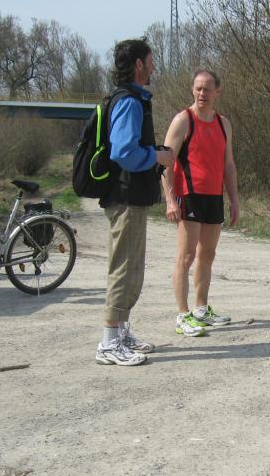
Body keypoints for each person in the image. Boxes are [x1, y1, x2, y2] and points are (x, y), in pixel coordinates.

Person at [95, 38, 175, 367]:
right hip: (125, 197)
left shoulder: (130, 98)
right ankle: (108, 343)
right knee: (124, 267)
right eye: (151, 60)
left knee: (132, 267)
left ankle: (121, 332)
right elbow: (124, 152)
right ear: (139, 64)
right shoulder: (128, 102)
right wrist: (157, 156)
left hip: (131, 197)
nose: (154, 65)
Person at [161, 69, 239, 337]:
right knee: (186, 256)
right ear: (192, 90)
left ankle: (201, 309)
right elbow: (165, 163)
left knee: (207, 254)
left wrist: (234, 200)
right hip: (189, 195)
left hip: (213, 197)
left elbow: (228, 165)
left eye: (207, 88)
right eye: (198, 88)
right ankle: (182, 316)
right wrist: (170, 200)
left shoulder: (223, 124)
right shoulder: (183, 120)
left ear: (217, 91)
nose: (202, 93)